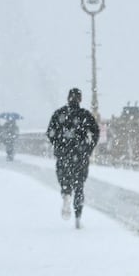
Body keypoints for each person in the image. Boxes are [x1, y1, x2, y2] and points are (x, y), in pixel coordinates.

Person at [46, 88, 100, 228]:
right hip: (80, 155)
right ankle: (78, 216)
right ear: (80, 99)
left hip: (63, 155)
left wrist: (58, 145)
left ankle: (66, 194)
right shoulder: (85, 115)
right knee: (79, 186)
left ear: (68, 98)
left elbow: (50, 132)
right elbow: (95, 132)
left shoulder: (59, 114)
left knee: (64, 180)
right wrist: (88, 148)